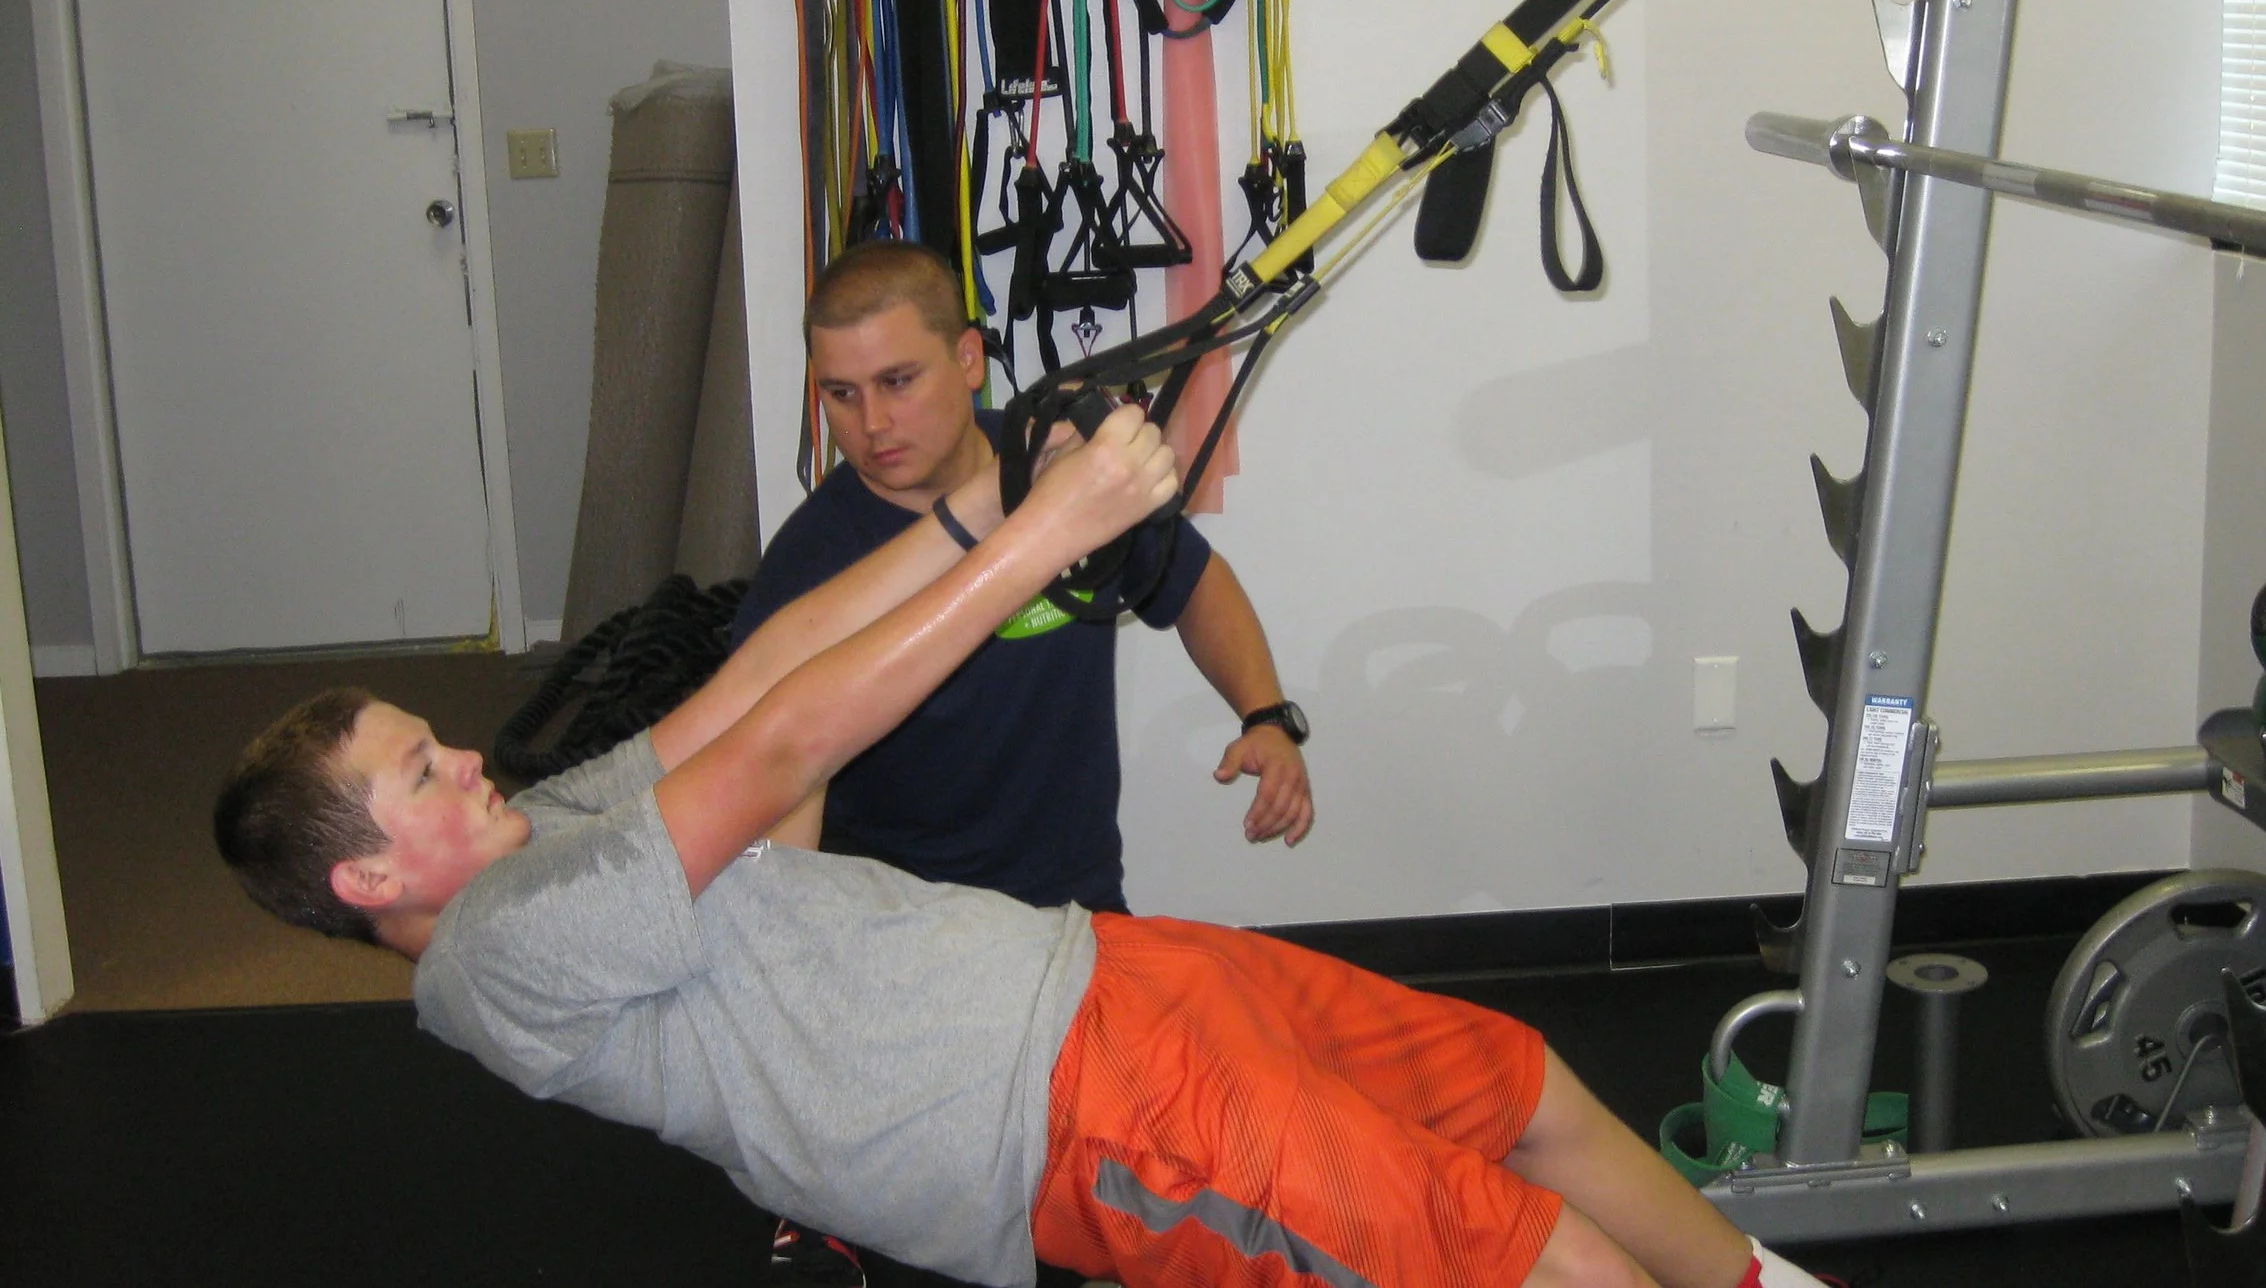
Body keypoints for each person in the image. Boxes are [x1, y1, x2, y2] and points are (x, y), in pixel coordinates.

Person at [214, 408, 1821, 1288]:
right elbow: (786, 748)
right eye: (423, 769)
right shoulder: (504, 954)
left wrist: (972, 522)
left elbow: (750, 681)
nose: (471, 756)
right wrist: (1052, 536)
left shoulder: (526, 839)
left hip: (1096, 971)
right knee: (1518, 1263)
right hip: (1069, 1114)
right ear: (369, 877)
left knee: (1521, 1089)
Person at [735, 239, 1311, 915]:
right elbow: (766, 786)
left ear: (969, 359)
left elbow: (1195, 583)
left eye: (898, 381)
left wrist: (1266, 716)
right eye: (841, 393)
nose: (872, 424)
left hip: (1077, 911)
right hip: (899, 930)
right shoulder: (809, 567)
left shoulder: (1063, 471)